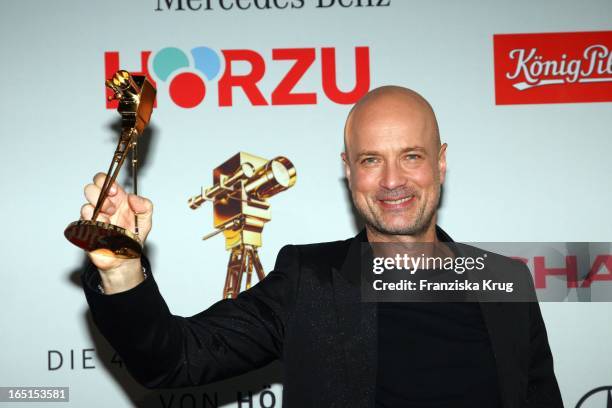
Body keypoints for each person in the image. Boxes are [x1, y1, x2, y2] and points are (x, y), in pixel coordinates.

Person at [79, 86, 563, 407]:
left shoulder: (507, 282)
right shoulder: (307, 280)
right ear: (349, 170)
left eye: (411, 156)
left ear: (440, 163)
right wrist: (121, 270)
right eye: (371, 159)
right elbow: (172, 361)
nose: (392, 180)